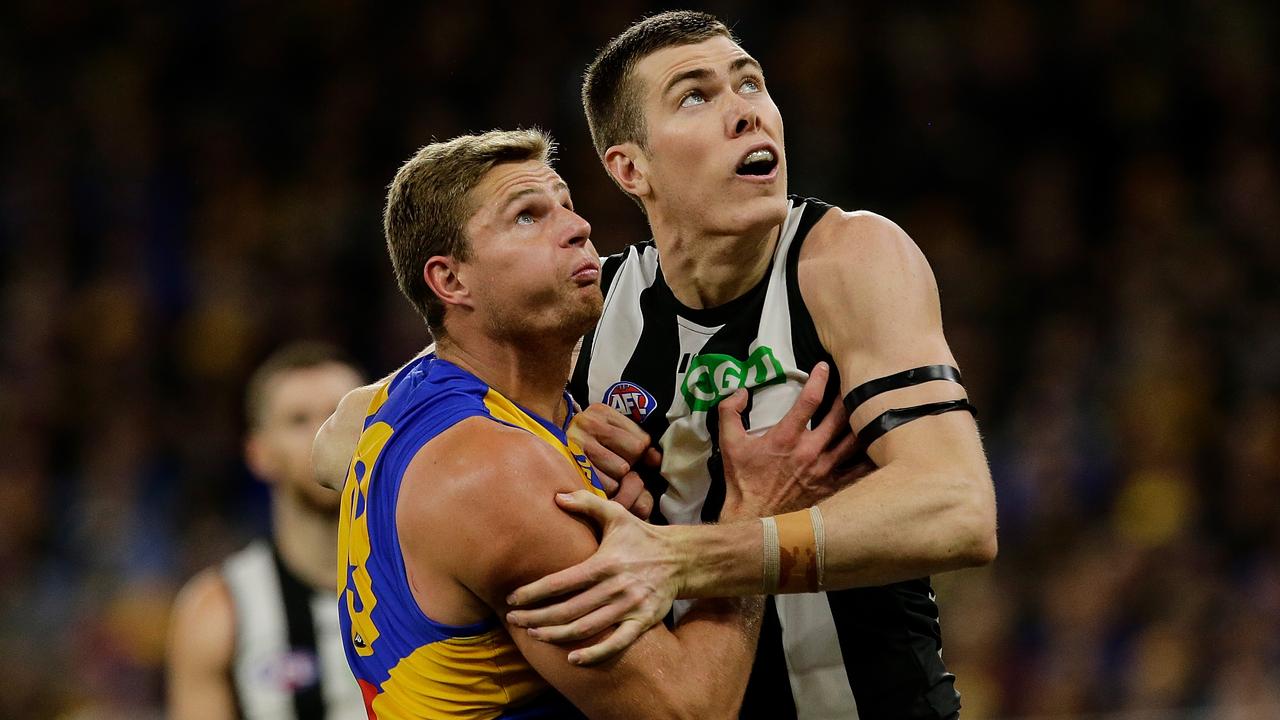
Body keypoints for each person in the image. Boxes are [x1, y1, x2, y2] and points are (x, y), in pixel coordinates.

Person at [501, 11, 999, 720]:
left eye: (750, 84)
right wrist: (549, 453)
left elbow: (960, 510)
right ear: (630, 167)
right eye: (695, 96)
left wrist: (686, 557)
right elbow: (349, 435)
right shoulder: (591, 313)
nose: (744, 112)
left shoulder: (846, 259)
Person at [332, 128, 850, 719]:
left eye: (566, 205)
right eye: (527, 216)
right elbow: (688, 712)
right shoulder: (496, 469)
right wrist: (752, 512)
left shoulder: (408, 403)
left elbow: (330, 444)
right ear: (450, 281)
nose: (577, 229)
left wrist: (563, 434)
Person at [167, 342, 366, 720]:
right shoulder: (220, 611)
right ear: (259, 454)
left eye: (338, 416)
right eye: (298, 420)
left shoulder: (439, 577)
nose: (323, 436)